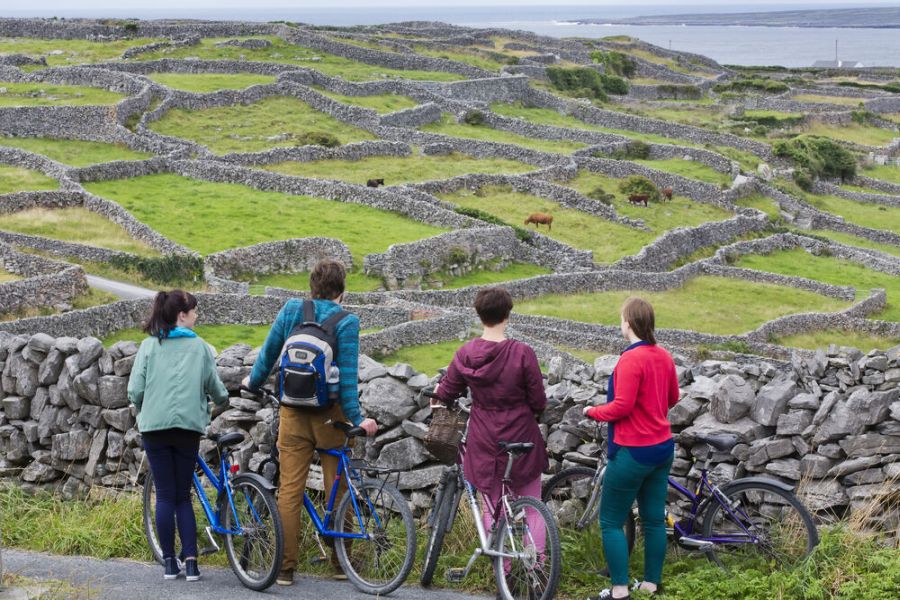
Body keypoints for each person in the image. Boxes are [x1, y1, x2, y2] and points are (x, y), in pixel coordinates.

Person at [242, 259, 377, 587]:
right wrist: (359, 420)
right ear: (342, 292)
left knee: (289, 490)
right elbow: (346, 379)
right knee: (339, 486)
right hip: (331, 416)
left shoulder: (291, 310)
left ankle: (285, 569)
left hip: (293, 413)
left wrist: (252, 381)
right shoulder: (347, 321)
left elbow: (268, 354)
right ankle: (341, 564)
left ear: (311, 287)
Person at [433, 287, 548, 562]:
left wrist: (438, 396)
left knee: (492, 505)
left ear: (480, 315)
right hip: (521, 432)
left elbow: (446, 393)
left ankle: (503, 570)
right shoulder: (522, 353)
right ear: (507, 315)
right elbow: (539, 400)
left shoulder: (465, 354)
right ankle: (537, 567)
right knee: (533, 505)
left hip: (484, 437)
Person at [128, 290, 229, 582]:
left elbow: (135, 389)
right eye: (194, 311)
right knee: (183, 496)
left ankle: (170, 564)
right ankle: (193, 563)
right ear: (181, 315)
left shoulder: (148, 346)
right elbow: (216, 387)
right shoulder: (199, 348)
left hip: (155, 428)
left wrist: (142, 405)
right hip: (187, 428)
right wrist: (221, 402)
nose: (197, 316)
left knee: (165, 496)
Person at [583, 297, 680, 600]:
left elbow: (621, 407)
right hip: (662, 448)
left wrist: (592, 411)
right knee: (652, 519)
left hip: (633, 451)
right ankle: (650, 585)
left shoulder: (630, 359)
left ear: (628, 323)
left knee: (611, 521)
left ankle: (620, 590)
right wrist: (652, 411)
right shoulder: (663, 355)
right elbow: (673, 397)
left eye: (622, 317)